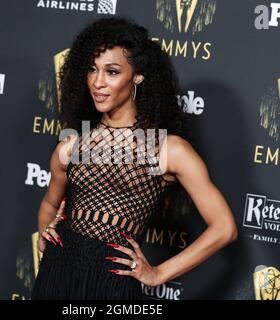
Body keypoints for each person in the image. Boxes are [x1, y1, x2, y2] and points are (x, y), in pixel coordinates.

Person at [31, 17, 237, 300]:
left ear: (137, 75)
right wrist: (46, 234)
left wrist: (159, 274)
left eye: (112, 72)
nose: (98, 82)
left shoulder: (166, 149)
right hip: (58, 271)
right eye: (92, 70)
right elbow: (50, 203)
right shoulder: (72, 143)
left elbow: (224, 228)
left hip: (112, 283)